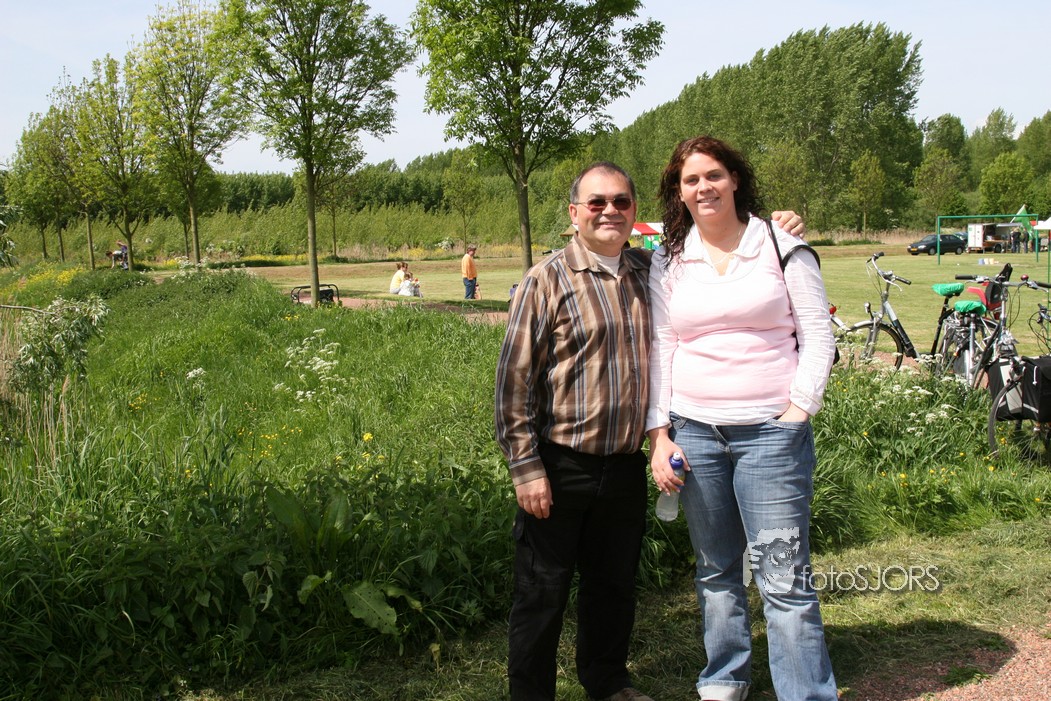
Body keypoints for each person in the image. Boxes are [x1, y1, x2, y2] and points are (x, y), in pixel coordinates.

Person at [495, 160, 806, 701]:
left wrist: (776, 226)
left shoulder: (653, 269)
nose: (609, 211)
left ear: (634, 210)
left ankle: (608, 683)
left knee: (612, 587)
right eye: (596, 202)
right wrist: (526, 468)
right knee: (542, 594)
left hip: (623, 465)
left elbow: (724, 240)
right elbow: (513, 383)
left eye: (621, 201)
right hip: (559, 464)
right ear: (574, 213)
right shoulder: (545, 280)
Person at [645, 136, 837, 701]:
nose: (703, 187)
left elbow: (818, 334)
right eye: (691, 180)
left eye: (714, 175)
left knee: (782, 575)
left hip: (771, 435)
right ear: (678, 192)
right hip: (695, 434)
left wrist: (798, 411)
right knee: (715, 569)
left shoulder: (781, 245)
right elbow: (661, 345)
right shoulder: (669, 258)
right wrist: (659, 434)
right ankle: (724, 680)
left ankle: (805, 692)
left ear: (734, 180)